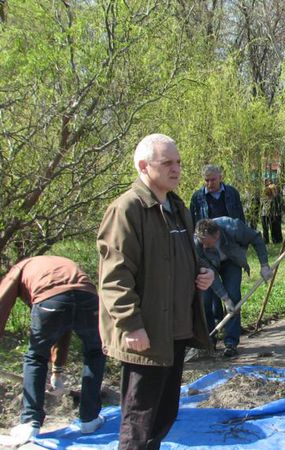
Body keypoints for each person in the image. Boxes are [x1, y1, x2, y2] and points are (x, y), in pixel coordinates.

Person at [97, 133, 214, 449]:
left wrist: (202, 273)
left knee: (164, 415)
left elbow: (182, 258)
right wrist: (132, 325)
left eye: (178, 162)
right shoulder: (127, 210)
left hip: (174, 331)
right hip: (145, 334)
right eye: (167, 163)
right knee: (140, 421)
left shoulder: (177, 207)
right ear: (143, 166)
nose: (176, 169)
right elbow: (114, 277)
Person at [0, 256, 106, 442]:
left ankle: (30, 422)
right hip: (89, 298)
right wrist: (56, 372)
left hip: (51, 300)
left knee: (35, 356)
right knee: (95, 353)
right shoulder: (60, 265)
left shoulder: (19, 270)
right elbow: (64, 324)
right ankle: (90, 419)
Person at [193, 217, 272, 359]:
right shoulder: (198, 243)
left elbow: (256, 238)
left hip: (232, 262)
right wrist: (224, 298)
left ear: (216, 235)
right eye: (201, 242)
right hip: (210, 266)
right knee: (205, 300)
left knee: (234, 298)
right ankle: (208, 342)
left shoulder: (233, 227)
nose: (203, 246)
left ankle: (231, 343)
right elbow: (209, 274)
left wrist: (264, 265)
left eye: (206, 242)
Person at [261, 179, 284, 244]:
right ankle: (267, 241)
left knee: (274, 228)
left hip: (273, 214)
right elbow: (263, 205)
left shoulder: (276, 197)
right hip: (266, 214)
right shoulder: (264, 196)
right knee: (267, 229)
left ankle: (276, 240)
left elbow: (278, 205)